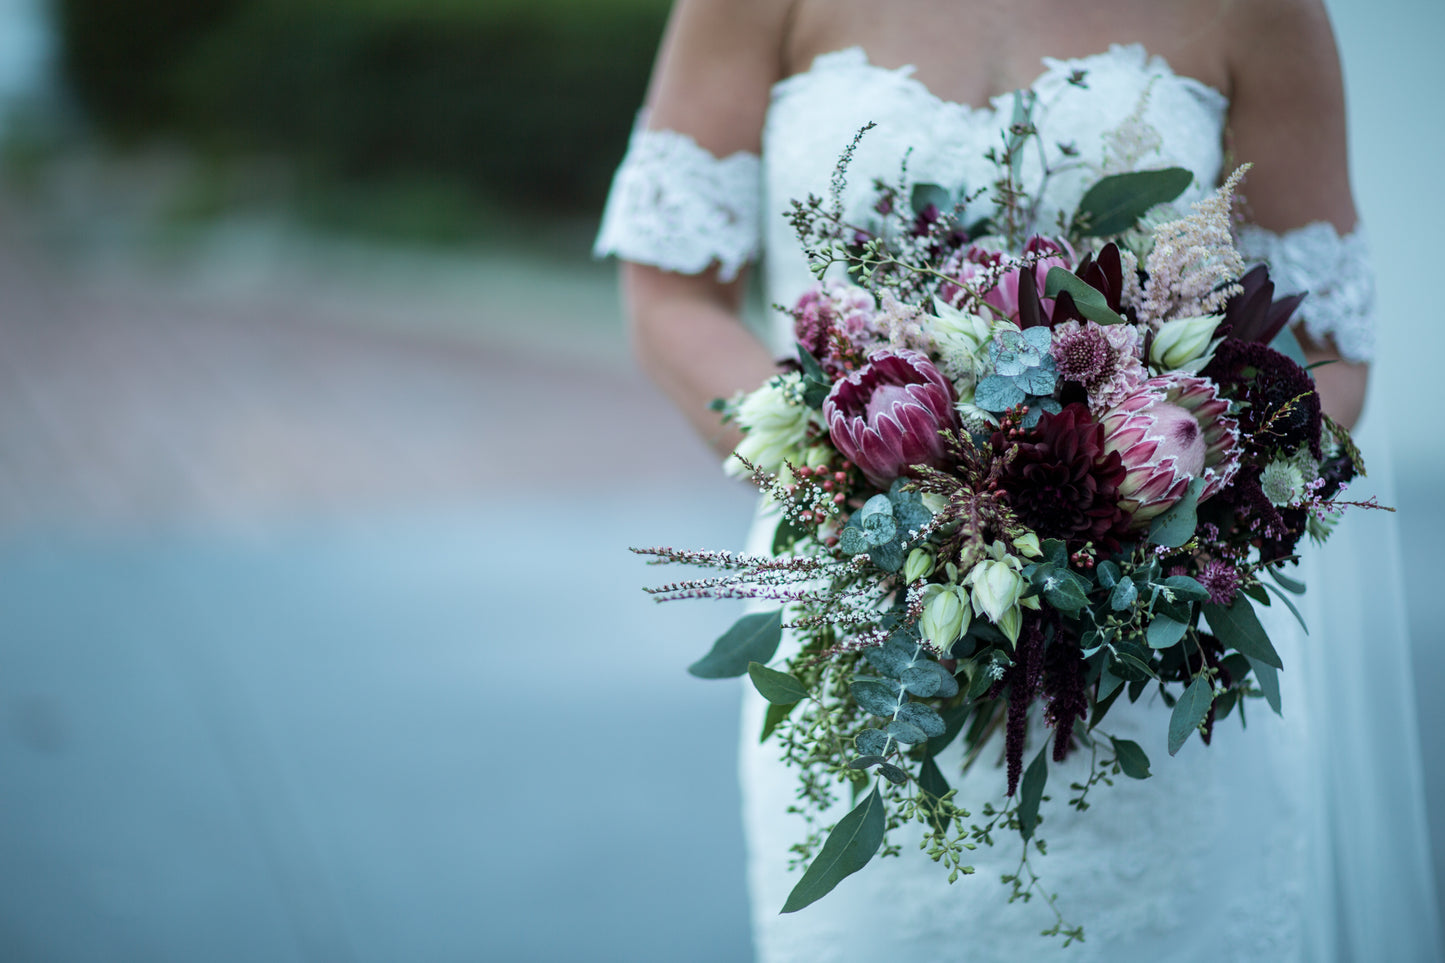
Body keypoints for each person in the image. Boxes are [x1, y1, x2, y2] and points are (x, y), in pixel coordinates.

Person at [596, 0, 1442, 958]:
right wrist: (865, 489)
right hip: (859, 620)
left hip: (1149, 661)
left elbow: (1334, 354)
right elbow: (667, 295)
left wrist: (1161, 514)